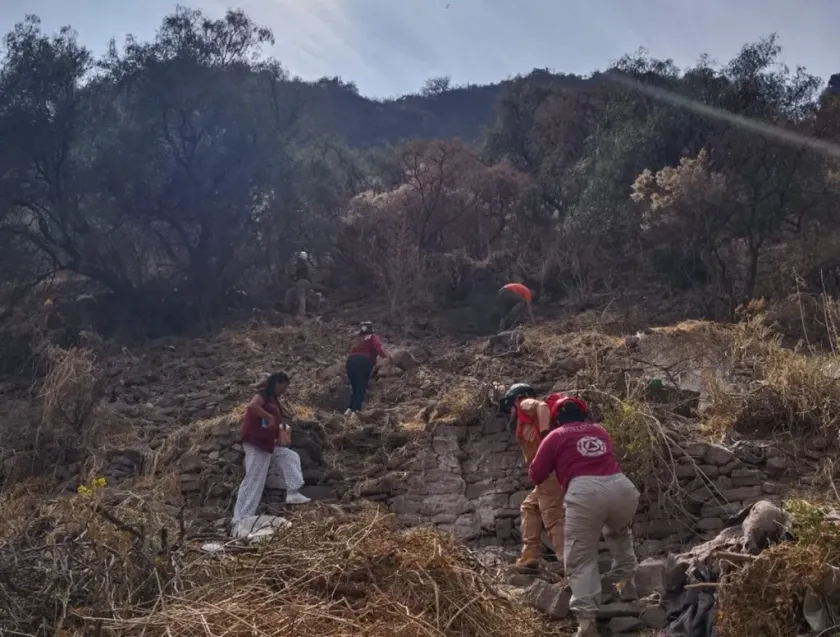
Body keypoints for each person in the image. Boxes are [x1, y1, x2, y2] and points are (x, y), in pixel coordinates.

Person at [528, 396, 640, 637]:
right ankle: (628, 584)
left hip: (585, 491)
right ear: (584, 413)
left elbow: (536, 473)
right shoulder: (600, 430)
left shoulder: (555, 436)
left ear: (557, 418)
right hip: (622, 488)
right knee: (618, 532)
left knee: (580, 557)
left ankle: (587, 623)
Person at [499, 383, 566, 570]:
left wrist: (545, 435)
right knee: (529, 507)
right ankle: (529, 556)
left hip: (550, 472)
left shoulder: (524, 404)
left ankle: (571, 567)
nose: (510, 412)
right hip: (546, 475)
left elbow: (542, 406)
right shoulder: (526, 420)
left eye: (509, 406)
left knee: (553, 518)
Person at [233, 372, 311, 521]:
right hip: (256, 442)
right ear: (276, 383)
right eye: (284, 385)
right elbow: (252, 406)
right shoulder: (264, 393)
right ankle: (241, 517)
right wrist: (268, 416)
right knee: (254, 479)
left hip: (267, 443)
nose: (285, 389)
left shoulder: (273, 399)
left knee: (289, 456)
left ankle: (293, 492)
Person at [345, 322, 390, 415]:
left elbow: (350, 351)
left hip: (351, 362)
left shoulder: (357, 339)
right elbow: (378, 348)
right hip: (363, 362)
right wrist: (385, 357)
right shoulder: (373, 337)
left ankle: (349, 409)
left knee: (354, 388)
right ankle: (355, 412)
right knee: (361, 388)